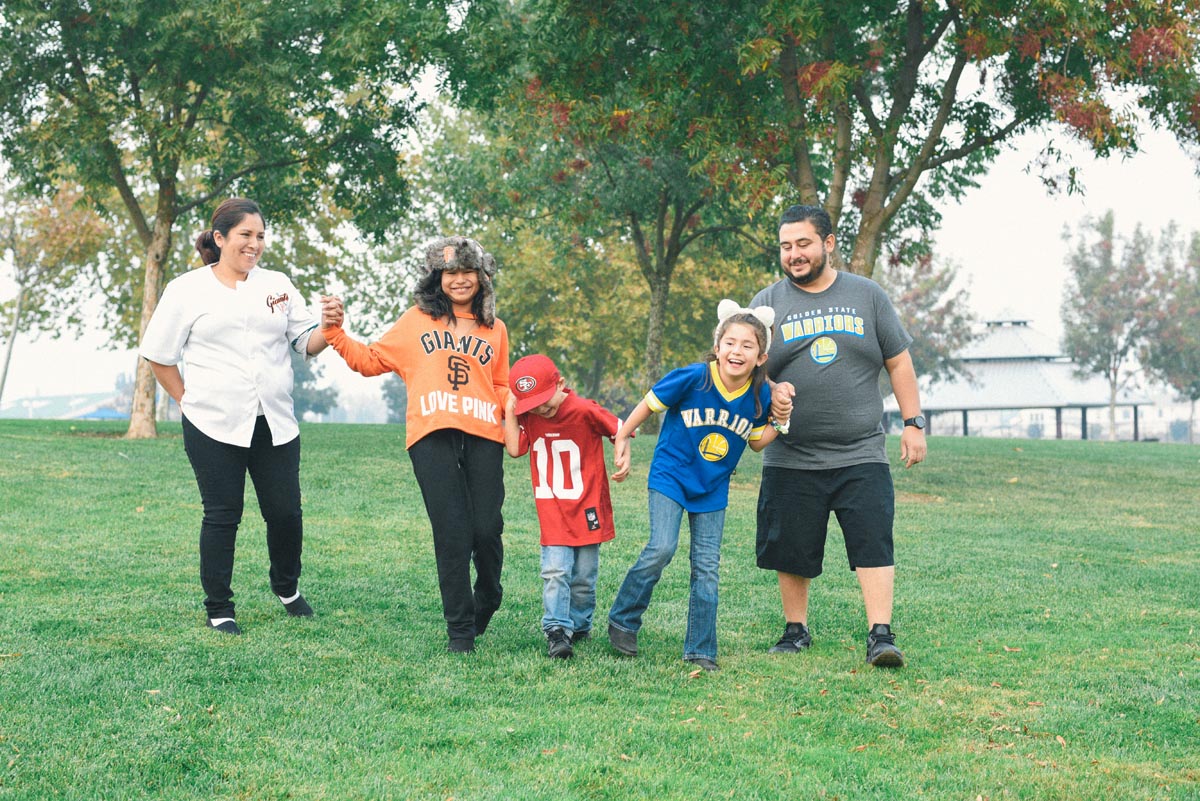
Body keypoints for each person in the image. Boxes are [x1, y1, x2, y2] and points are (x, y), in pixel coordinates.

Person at [140, 197, 341, 636]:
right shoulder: (186, 289)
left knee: (286, 512)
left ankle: (286, 588)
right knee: (222, 514)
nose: (254, 245)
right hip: (212, 423)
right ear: (220, 238)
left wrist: (329, 328)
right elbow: (158, 355)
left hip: (275, 421)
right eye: (246, 235)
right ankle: (219, 607)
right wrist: (186, 401)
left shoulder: (278, 284)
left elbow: (304, 342)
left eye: (261, 236)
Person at [752, 203, 927, 668]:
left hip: (862, 450)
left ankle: (881, 635)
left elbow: (899, 361)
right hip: (791, 454)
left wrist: (913, 424)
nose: (794, 254)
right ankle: (795, 631)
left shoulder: (867, 296)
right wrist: (770, 389)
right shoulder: (765, 305)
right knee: (792, 546)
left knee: (873, 540)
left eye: (804, 243)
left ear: (828, 244)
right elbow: (744, 368)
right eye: (786, 246)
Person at [320, 237, 509, 653]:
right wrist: (334, 332)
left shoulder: (495, 329)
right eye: (450, 273)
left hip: (484, 437)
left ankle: (489, 595)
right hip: (430, 435)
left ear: (482, 276)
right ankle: (461, 632)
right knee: (453, 533)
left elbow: (500, 384)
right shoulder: (416, 320)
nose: (459, 280)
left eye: (467, 272)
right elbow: (369, 361)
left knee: (486, 529)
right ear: (437, 278)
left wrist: (514, 419)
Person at [606, 300, 789, 672]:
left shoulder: (760, 395)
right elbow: (648, 405)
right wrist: (622, 438)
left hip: (712, 487)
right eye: (730, 342)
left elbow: (756, 442)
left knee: (706, 567)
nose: (737, 351)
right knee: (661, 547)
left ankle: (701, 649)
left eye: (747, 346)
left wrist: (782, 421)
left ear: (761, 357)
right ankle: (623, 618)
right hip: (671, 475)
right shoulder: (692, 377)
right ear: (718, 346)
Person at [503, 354, 621, 659]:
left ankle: (579, 625)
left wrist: (624, 454)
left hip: (587, 506)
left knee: (584, 575)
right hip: (553, 508)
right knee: (556, 571)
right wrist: (511, 410)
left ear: (561, 384)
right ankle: (556, 629)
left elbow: (620, 428)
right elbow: (515, 448)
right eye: (533, 404)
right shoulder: (529, 414)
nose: (542, 408)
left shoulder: (583, 409)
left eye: (545, 400)